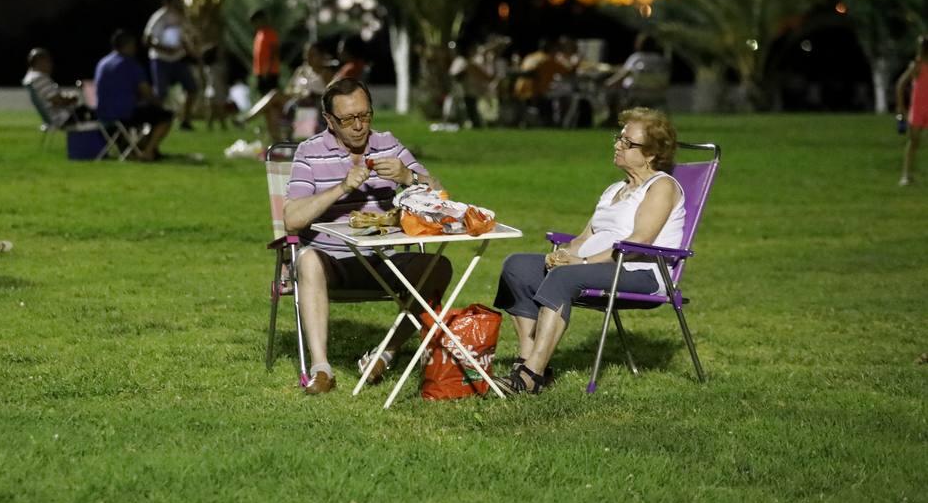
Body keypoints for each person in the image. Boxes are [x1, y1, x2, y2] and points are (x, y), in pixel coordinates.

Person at [493, 107, 686, 394]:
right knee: (517, 267)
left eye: (628, 143)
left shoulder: (662, 187)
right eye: (618, 138)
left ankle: (530, 376)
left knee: (564, 278)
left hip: (641, 272)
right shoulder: (614, 190)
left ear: (651, 153)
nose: (618, 145)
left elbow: (640, 243)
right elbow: (584, 237)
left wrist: (580, 263)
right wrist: (561, 254)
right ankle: (529, 360)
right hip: (598, 266)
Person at [282, 77, 453, 395]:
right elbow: (292, 220)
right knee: (306, 260)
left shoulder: (388, 144)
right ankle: (321, 369)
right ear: (330, 121)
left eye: (365, 115)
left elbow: (442, 198)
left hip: (384, 261)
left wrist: (408, 176)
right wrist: (342, 188)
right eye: (348, 119)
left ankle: (386, 352)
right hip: (332, 262)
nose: (359, 126)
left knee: (439, 267)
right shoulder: (310, 153)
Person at [94, 30, 173, 160]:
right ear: (129, 45)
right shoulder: (129, 64)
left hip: (102, 114)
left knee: (146, 113)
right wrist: (159, 103)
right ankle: (148, 151)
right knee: (165, 116)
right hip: (123, 114)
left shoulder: (103, 63)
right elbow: (146, 92)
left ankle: (136, 148)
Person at [143, 0, 197, 130]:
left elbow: (187, 36)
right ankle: (156, 122)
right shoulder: (158, 18)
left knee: (192, 88)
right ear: (167, 3)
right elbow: (147, 40)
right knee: (160, 93)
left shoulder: (181, 17)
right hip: (160, 59)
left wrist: (189, 50)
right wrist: (163, 49)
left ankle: (185, 121)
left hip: (177, 59)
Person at [604, 34, 670, 122]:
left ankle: (612, 119)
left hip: (636, 94)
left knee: (613, 92)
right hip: (657, 95)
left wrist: (609, 82)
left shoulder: (636, 58)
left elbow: (623, 74)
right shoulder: (661, 60)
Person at [22, 48, 92, 128]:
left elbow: (52, 96)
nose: (51, 64)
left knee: (87, 110)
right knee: (93, 112)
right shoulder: (39, 78)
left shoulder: (30, 77)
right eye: (48, 61)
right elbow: (56, 99)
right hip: (61, 118)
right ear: (40, 61)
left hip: (52, 118)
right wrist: (72, 98)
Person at [896, 35, 928, 187]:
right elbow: (901, 84)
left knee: (914, 142)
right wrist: (901, 108)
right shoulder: (917, 65)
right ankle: (906, 175)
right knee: (913, 142)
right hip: (918, 109)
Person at [250, 9, 280, 96]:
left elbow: (274, 53)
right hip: (260, 73)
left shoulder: (270, 33)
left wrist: (267, 70)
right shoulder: (259, 34)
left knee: (270, 98)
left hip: (270, 73)